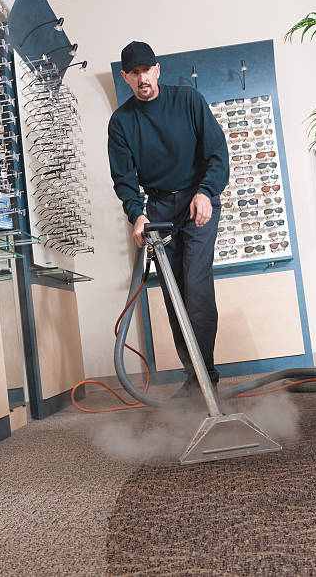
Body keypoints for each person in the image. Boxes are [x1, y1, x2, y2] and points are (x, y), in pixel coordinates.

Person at [108, 41, 229, 397]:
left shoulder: (188, 100)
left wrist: (207, 191)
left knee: (196, 285)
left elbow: (217, 152)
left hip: (198, 202)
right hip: (158, 210)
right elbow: (124, 179)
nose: (142, 78)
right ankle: (195, 377)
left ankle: (206, 377)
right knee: (174, 294)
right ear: (125, 77)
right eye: (134, 73)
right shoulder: (121, 122)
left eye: (147, 70)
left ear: (157, 69)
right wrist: (137, 215)